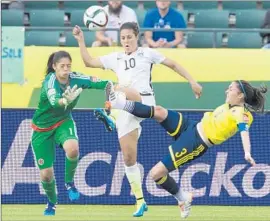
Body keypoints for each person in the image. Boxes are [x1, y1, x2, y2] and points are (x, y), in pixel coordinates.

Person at [73, 22, 202, 217]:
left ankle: (111, 114)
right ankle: (142, 201)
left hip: (143, 99)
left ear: (137, 37)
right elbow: (88, 62)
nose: (126, 41)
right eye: (123, 38)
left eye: (129, 37)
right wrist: (81, 40)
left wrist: (192, 81)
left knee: (114, 87)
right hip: (126, 106)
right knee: (128, 157)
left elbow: (173, 64)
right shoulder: (115, 58)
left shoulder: (147, 53)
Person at [105, 80, 267, 218]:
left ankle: (182, 197)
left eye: (231, 89)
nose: (227, 90)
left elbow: (244, 131)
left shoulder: (242, 114)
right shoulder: (227, 105)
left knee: (155, 174)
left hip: (196, 143)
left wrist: (247, 152)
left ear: (240, 96)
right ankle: (117, 102)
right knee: (159, 111)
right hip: (191, 126)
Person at [31, 50, 111, 216]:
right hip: (41, 130)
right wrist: (65, 100)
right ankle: (52, 203)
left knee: (73, 148)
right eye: (62, 66)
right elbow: (55, 102)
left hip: (63, 122)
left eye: (68, 66)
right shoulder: (50, 81)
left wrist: (116, 85)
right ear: (54, 67)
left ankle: (69, 183)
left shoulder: (76, 78)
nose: (66, 69)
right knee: (46, 175)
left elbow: (101, 83)